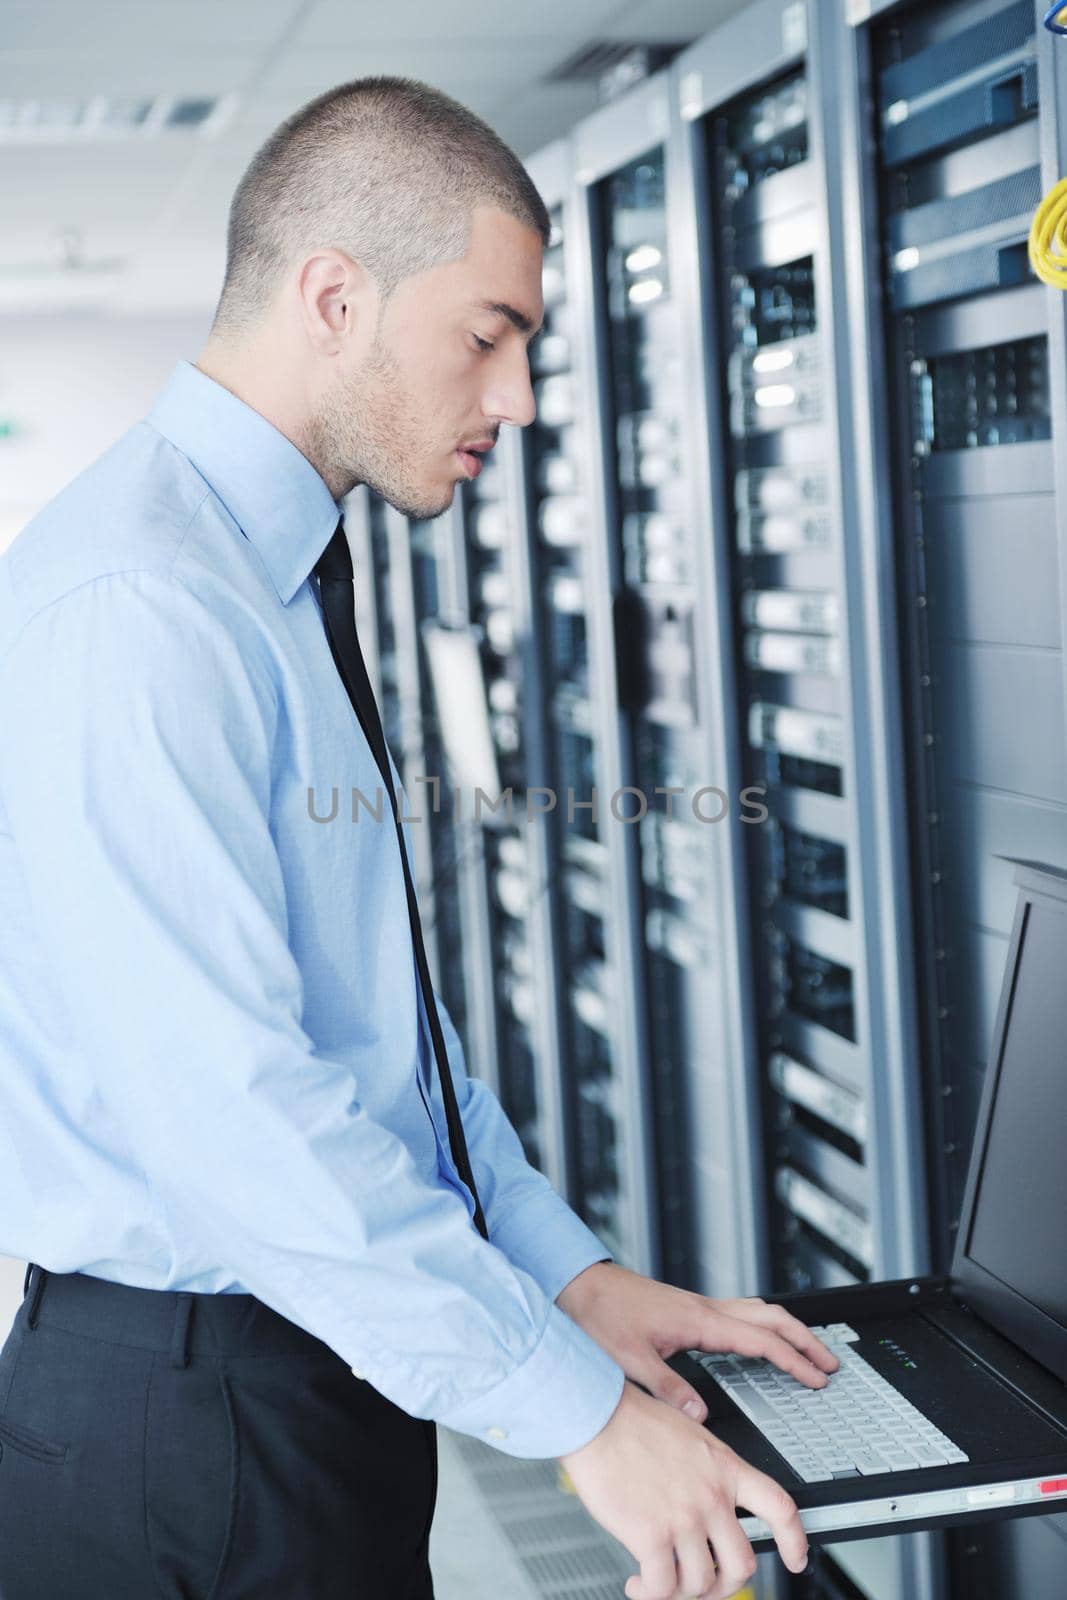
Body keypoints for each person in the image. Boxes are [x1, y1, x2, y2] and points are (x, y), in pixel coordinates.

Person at [0, 76, 838, 1600]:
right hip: (185, 1441)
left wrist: (572, 1283)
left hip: (292, 1390)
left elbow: (379, 1034)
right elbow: (233, 1118)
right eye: (490, 335)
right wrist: (583, 1418)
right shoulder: (147, 606)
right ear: (335, 296)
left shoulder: (263, 572)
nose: (516, 398)